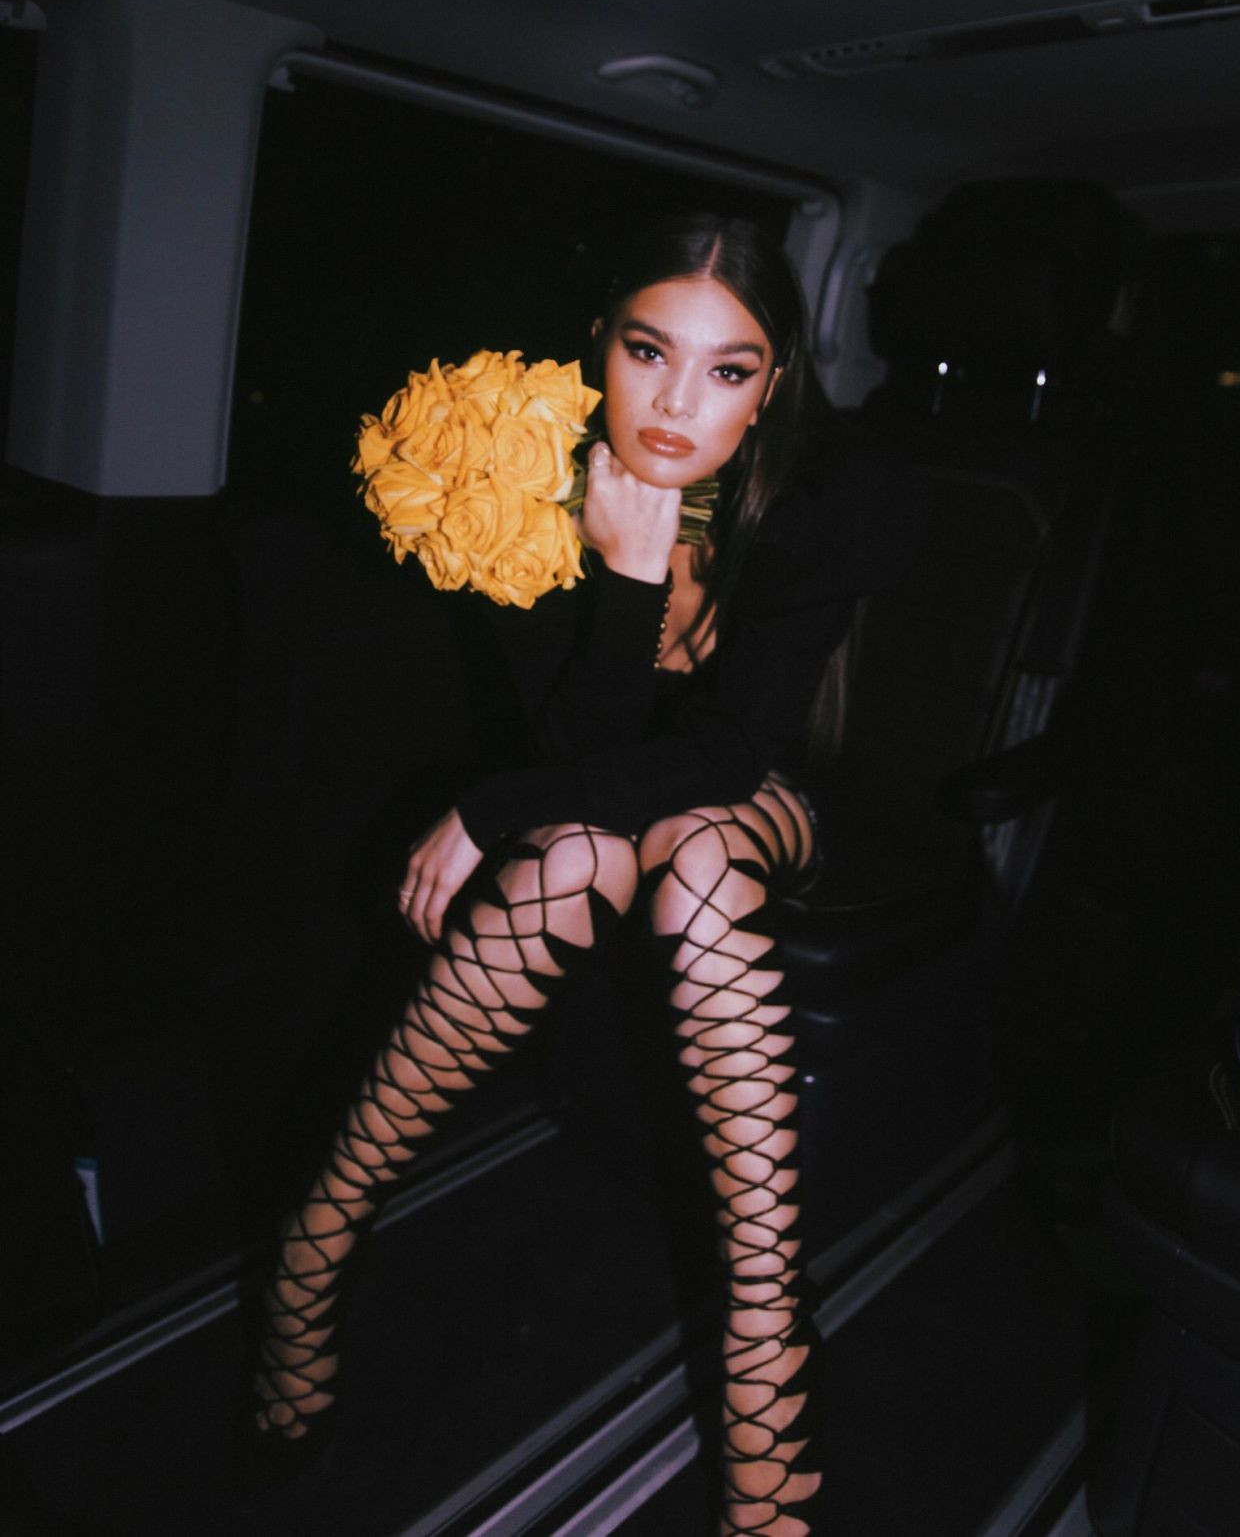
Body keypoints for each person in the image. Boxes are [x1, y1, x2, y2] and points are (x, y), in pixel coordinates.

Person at [246, 213, 919, 1536]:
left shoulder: (829, 503)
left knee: (702, 852)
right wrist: (626, 571)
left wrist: (489, 807)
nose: (676, 403)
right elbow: (583, 755)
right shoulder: (515, 488)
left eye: (728, 369)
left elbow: (728, 752)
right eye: (648, 352)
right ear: (599, 346)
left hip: (761, 803)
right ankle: (319, 1239)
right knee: (586, 853)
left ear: (773, 385)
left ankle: (763, 1322)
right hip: (593, 816)